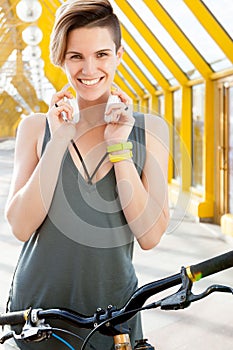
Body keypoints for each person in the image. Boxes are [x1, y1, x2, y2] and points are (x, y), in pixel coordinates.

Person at [4, 0, 169, 349]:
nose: (89, 68)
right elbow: (19, 226)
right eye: (76, 56)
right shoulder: (35, 128)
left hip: (113, 318)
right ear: (61, 59)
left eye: (102, 54)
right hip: (38, 318)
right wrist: (59, 141)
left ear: (119, 55)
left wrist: (119, 149)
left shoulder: (150, 130)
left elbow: (150, 235)